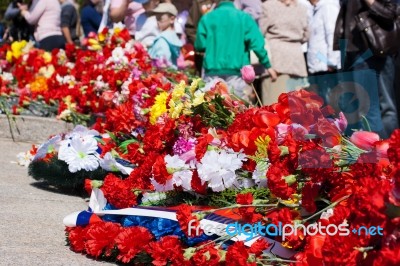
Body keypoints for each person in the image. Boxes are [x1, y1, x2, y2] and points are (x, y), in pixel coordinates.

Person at [333, 0, 399, 138]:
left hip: (375, 50)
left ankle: (387, 152)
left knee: (383, 107)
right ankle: (375, 152)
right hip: (352, 52)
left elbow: (390, 13)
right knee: (364, 109)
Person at [195, 0, 277, 103]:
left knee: (213, 110)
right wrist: (267, 65)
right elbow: (257, 44)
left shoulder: (207, 18)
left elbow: (199, 46)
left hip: (212, 72)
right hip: (238, 74)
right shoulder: (244, 18)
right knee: (237, 111)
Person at [259, 0, 309, 106]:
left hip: (275, 62)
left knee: (273, 109)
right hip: (297, 61)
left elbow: (260, 33)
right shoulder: (302, 8)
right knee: (297, 112)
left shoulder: (268, 6)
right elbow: (307, 34)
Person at [307, 0, 341, 104]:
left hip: (326, 67)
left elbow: (332, 34)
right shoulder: (317, 9)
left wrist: (331, 61)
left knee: (330, 105)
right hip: (318, 67)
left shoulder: (328, 6)